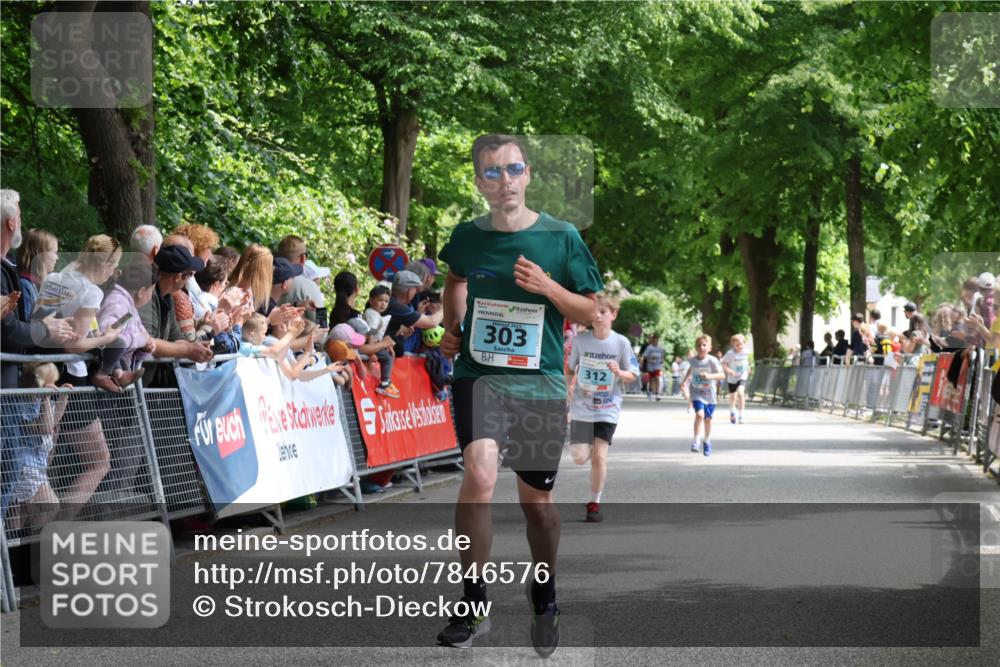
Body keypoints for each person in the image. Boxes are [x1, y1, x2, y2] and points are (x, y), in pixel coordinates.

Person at [436, 134, 602, 654]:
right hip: (479, 376)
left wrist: (548, 288)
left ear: (528, 174)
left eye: (513, 169)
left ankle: (544, 588)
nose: (503, 180)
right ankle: (472, 600)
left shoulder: (562, 236)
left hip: (540, 384)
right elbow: (455, 279)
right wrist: (452, 323)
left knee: (537, 505)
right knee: (479, 474)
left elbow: (590, 311)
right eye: (491, 172)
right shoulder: (467, 236)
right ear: (478, 181)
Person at [566, 293, 636, 523]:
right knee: (578, 457)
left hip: (607, 407)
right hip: (581, 407)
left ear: (613, 315)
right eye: (594, 312)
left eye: (603, 312)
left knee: (599, 457)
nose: (597, 316)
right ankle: (585, 449)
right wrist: (567, 392)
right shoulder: (580, 340)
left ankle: (594, 502)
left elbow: (632, 375)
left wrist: (618, 371)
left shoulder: (621, 343)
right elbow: (569, 369)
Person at [2, 361, 69, 532]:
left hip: (37, 466)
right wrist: (46, 397)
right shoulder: (22, 404)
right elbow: (44, 427)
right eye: (50, 384)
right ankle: (30, 541)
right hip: (23, 467)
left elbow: (53, 422)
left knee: (18, 518)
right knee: (51, 505)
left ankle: (15, 548)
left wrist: (63, 397)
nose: (53, 387)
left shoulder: (40, 402)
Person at [680, 334, 726, 456]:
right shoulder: (693, 360)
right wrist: (684, 381)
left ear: (709, 347)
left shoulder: (712, 360)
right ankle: (696, 441)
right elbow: (692, 369)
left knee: (708, 419)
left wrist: (709, 376)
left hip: (709, 394)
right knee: (699, 415)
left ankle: (707, 440)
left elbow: (722, 376)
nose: (701, 347)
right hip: (696, 392)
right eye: (699, 345)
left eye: (704, 345)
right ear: (696, 347)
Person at [383, 270, 443, 357]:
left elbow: (388, 334)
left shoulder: (389, 302)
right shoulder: (397, 306)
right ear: (410, 291)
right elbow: (432, 322)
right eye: (416, 290)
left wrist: (417, 315)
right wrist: (444, 306)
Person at [362, 284, 400, 398]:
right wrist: (372, 351)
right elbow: (371, 334)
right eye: (380, 300)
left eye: (386, 301)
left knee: (388, 355)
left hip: (373, 343)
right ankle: (385, 383)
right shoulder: (372, 314)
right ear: (371, 300)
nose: (383, 303)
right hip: (369, 344)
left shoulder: (374, 313)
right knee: (387, 358)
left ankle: (385, 382)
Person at [16, 229, 58, 320]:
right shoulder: (25, 285)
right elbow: (28, 324)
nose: (57, 257)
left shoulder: (39, 284)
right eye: (54, 252)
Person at [721, 334, 750, 424]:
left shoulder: (746, 352)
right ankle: (732, 412)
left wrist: (748, 367)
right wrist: (729, 371)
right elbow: (724, 363)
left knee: (741, 393)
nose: (740, 346)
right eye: (737, 345)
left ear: (744, 344)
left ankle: (741, 415)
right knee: (733, 397)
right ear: (733, 345)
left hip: (742, 375)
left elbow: (746, 361)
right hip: (732, 377)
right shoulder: (730, 354)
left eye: (741, 344)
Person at [640, 334, 666, 401]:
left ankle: (657, 394)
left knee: (657, 378)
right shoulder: (649, 348)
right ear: (652, 340)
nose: (655, 342)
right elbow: (645, 356)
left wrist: (662, 360)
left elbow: (662, 356)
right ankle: (650, 393)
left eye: (657, 341)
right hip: (650, 366)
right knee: (651, 380)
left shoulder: (660, 348)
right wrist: (650, 359)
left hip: (657, 366)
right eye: (654, 340)